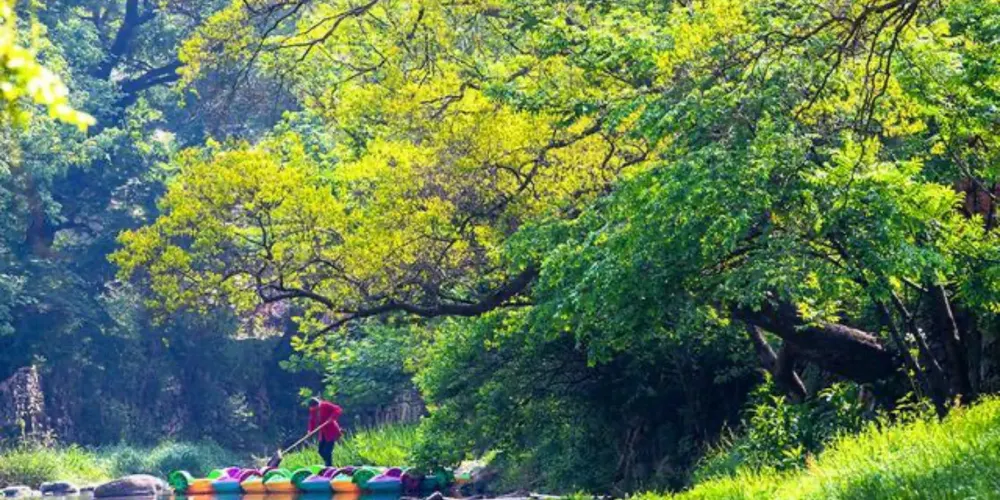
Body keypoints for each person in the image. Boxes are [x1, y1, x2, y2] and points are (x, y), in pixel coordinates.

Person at [308, 397, 343, 467]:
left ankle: (329, 466)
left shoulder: (325, 405)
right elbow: (312, 420)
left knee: (327, 451)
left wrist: (331, 418)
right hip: (323, 432)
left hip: (331, 431)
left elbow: (338, 409)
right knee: (320, 451)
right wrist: (310, 431)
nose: (314, 409)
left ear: (317, 404)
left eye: (315, 407)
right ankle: (328, 464)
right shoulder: (312, 410)